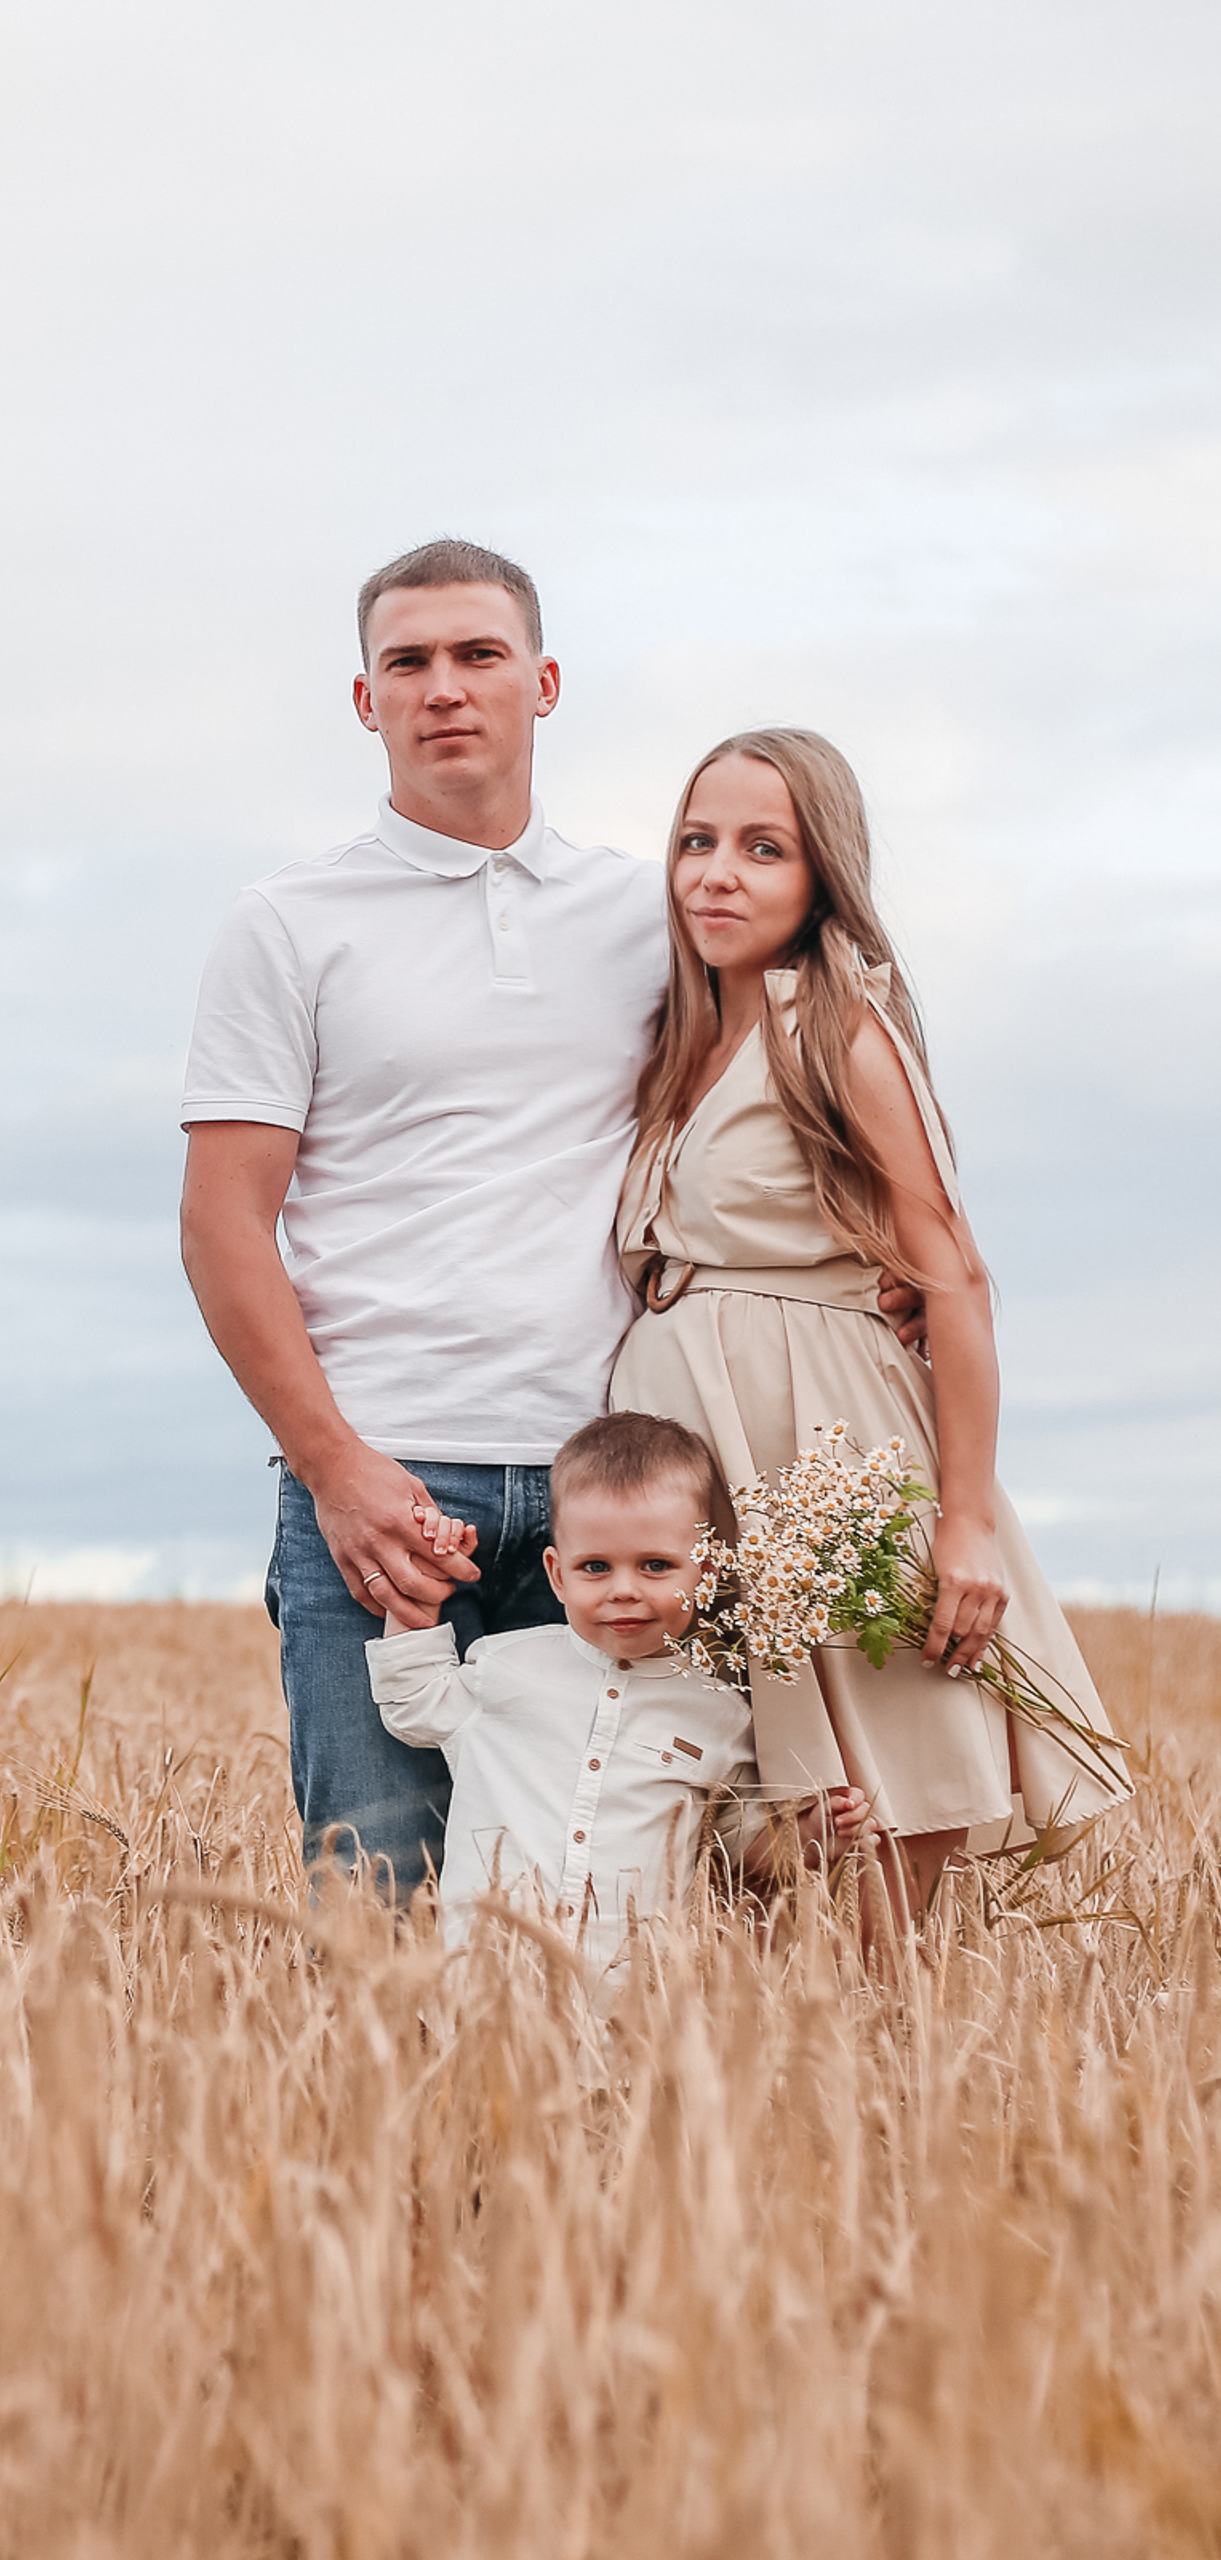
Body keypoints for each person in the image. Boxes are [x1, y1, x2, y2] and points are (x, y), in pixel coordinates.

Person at [177, 539, 915, 1889]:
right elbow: (224, 1225)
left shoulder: (652, 911)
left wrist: (894, 1269)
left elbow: (797, 1088)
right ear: (366, 700)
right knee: (383, 1898)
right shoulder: (286, 925)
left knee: (639, 1895)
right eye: (408, 662)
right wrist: (336, 1471)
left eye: (478, 655)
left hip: (628, 1485)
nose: (443, 688)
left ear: (544, 682)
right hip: (393, 1481)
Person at [607, 728, 1129, 1938]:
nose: (716, 874)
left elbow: (952, 1274)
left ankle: (891, 2074)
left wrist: (964, 1519)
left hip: (822, 1442)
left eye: (761, 848)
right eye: (695, 842)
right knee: (733, 1808)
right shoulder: (676, 1046)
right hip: (691, 1458)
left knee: (887, 1781)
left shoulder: (837, 1029)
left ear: (820, 875)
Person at [366, 1411, 870, 1998]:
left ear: (704, 1570)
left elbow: (730, 1841)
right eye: (595, 1567)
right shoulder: (502, 1668)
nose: (624, 1588)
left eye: (655, 1566)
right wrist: (412, 1607)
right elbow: (414, 1704)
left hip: (635, 2000)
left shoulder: (721, 1711)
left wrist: (809, 1836)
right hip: (490, 1984)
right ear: (557, 1575)